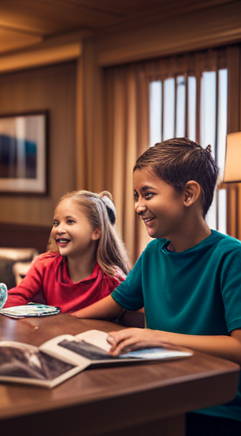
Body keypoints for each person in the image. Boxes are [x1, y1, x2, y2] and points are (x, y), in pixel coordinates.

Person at [72, 138, 241, 435]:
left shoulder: (231, 256)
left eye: (147, 195)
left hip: (216, 408)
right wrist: (64, 320)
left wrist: (158, 337)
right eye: (136, 195)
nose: (138, 207)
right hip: (157, 390)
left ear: (189, 194)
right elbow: (115, 302)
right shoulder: (153, 253)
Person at [3, 190, 129, 313]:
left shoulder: (111, 280)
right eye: (56, 223)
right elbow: (15, 297)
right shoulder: (43, 266)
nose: (59, 229)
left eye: (70, 222)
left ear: (96, 232)